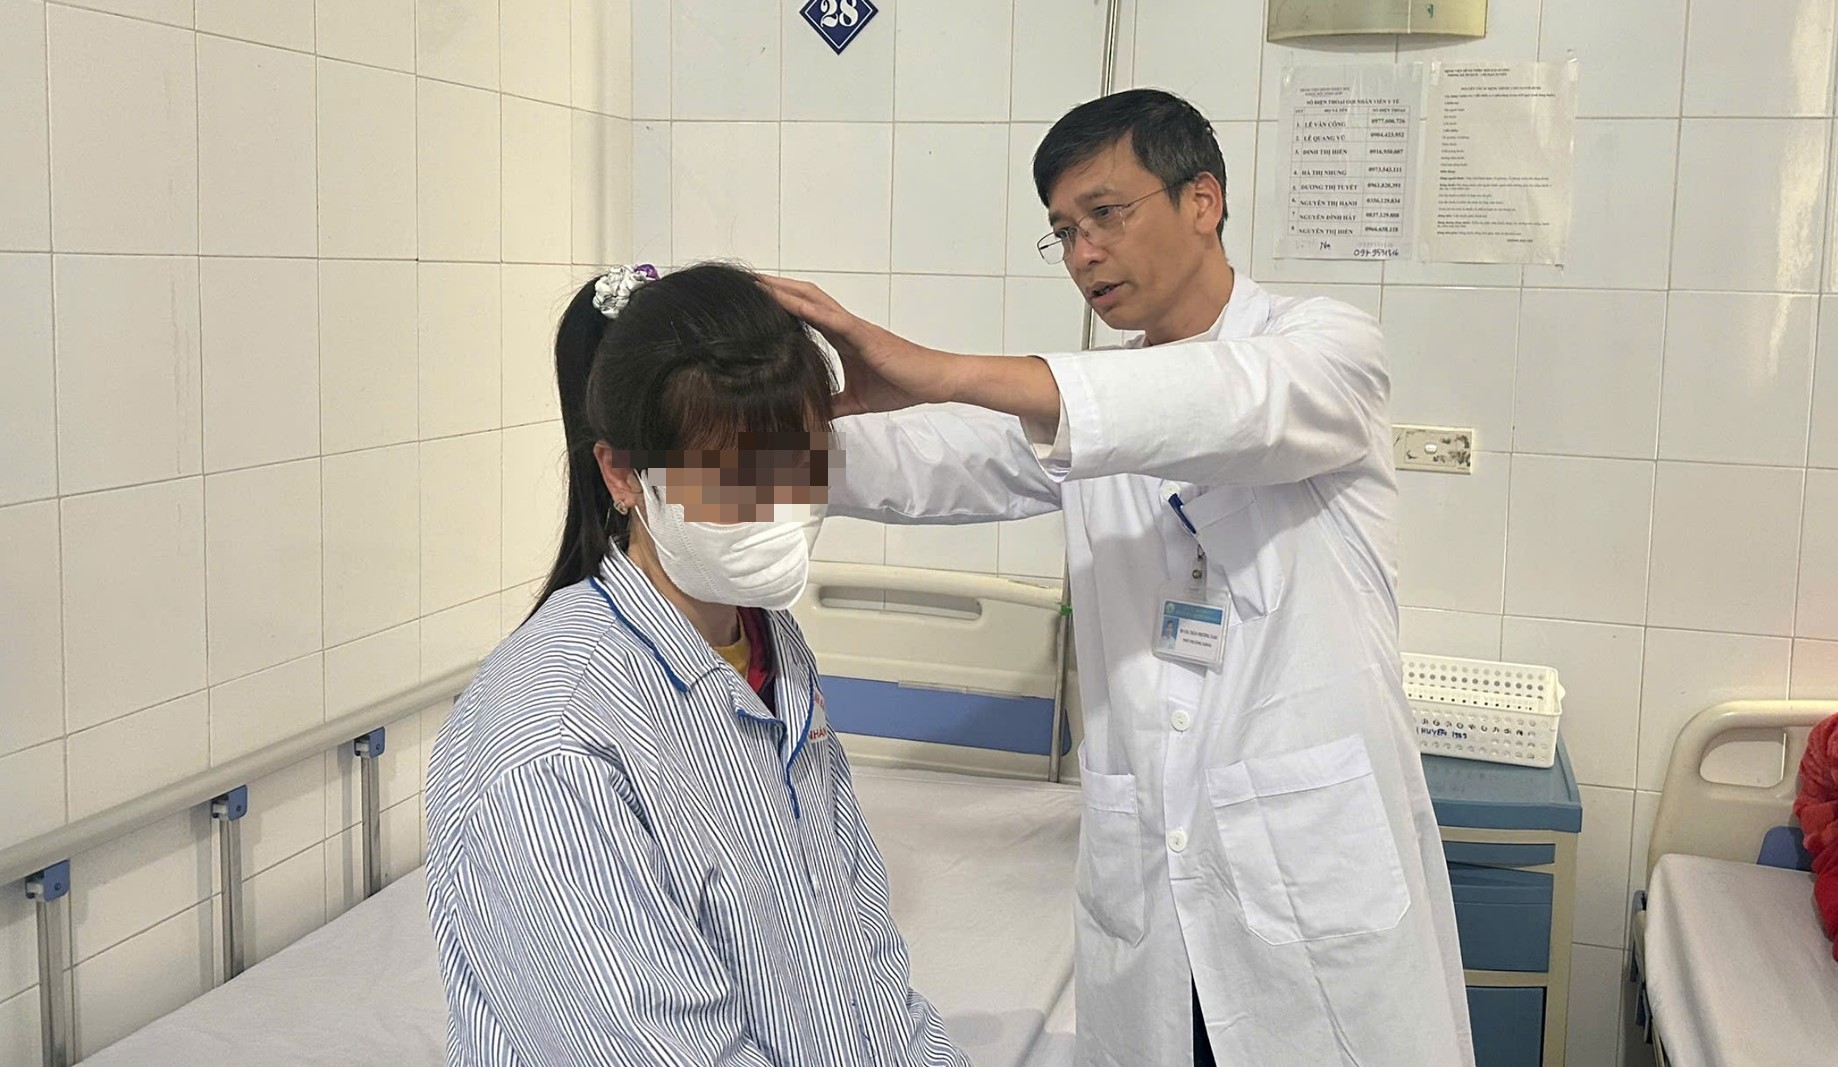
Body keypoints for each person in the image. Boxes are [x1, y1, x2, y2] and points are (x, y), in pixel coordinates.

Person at [766, 89, 1475, 1066]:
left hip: (1307, 887)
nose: (1082, 253)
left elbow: (1227, 406)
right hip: (1152, 897)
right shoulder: (1083, 410)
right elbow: (940, 460)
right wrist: (734, 454)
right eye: (1063, 231)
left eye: (1104, 214)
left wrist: (942, 367)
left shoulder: (1326, 350)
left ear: (1201, 200)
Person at [423, 262, 968, 1067]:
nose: (779, 508)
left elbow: (862, 948)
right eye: (735, 479)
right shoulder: (552, 746)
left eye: (801, 464)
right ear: (623, 475)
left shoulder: (769, 643)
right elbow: (660, 1045)